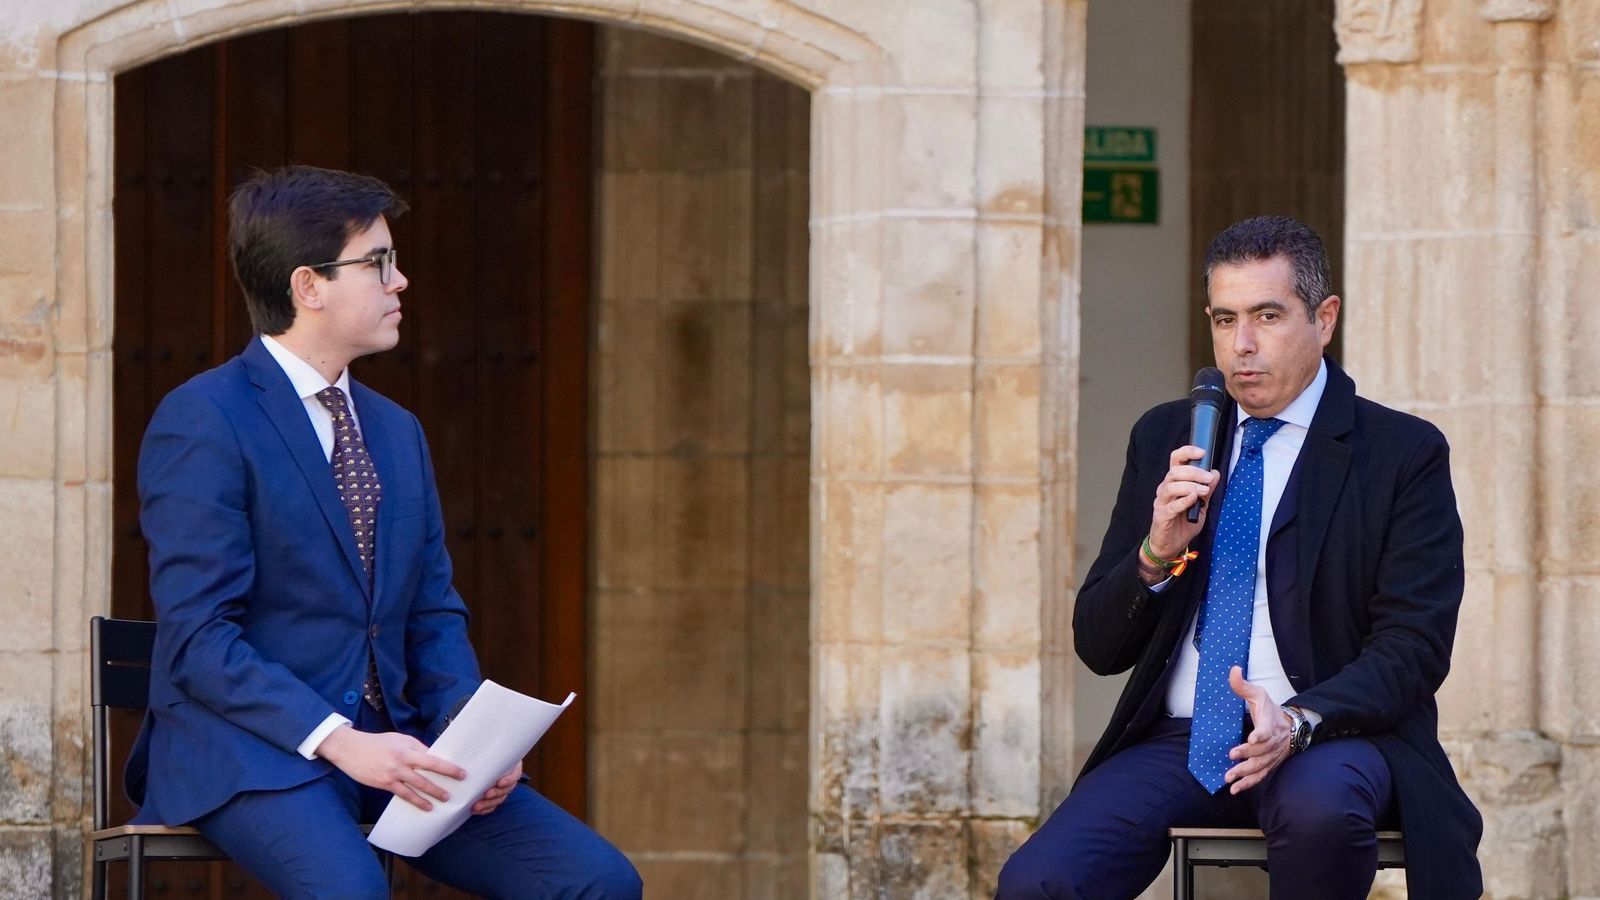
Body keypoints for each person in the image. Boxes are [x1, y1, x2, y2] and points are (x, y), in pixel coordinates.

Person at [127, 165, 642, 899]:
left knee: (597, 882)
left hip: (399, 752)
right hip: (258, 753)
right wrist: (341, 742)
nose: (400, 282)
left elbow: (431, 610)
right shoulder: (205, 419)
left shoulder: (397, 432)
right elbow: (200, 636)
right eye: (380, 263)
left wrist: (474, 736)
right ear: (309, 286)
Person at [996, 216, 1481, 899]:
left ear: (1325, 318)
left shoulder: (1401, 453)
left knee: (1319, 814)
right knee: (1038, 881)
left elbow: (1415, 645)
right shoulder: (1170, 434)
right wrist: (1153, 555)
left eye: (1267, 315)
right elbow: (1099, 646)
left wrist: (1300, 721)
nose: (1242, 346)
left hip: (1328, 733)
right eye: (1225, 320)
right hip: (1180, 740)